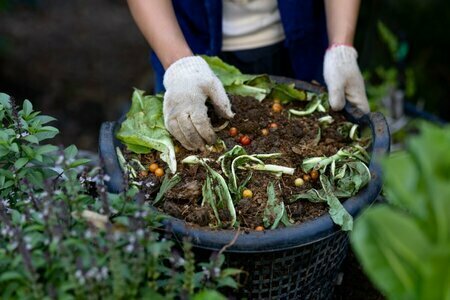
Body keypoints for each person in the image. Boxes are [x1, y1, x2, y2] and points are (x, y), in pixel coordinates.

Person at [126, 0, 369, 151]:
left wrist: (341, 46)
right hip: (188, 45)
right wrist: (179, 65)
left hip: (301, 42)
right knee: (189, 141)